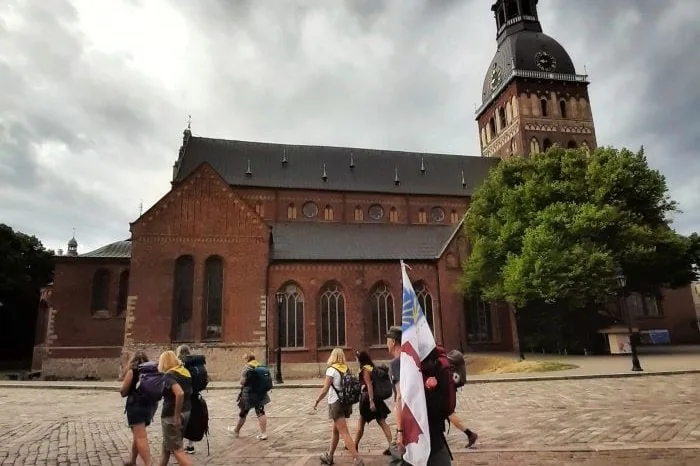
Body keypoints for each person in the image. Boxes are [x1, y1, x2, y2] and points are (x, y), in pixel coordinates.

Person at [386, 325, 452, 465]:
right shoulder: (421, 359)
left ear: (393, 342)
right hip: (432, 420)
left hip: (414, 423)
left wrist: (399, 431)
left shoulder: (398, 363)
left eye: (387, 340)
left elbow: (400, 397)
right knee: (437, 456)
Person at [313, 348, 364, 466]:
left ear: (332, 356)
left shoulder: (331, 370)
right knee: (335, 431)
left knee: (344, 432)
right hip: (345, 403)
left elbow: (325, 389)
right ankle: (330, 456)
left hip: (336, 403)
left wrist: (317, 401)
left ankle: (357, 459)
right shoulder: (346, 369)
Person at [120, 350, 156, 466]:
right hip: (149, 407)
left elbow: (123, 391)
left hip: (136, 407)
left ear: (133, 360)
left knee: (140, 437)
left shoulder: (132, 372)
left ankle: (148, 463)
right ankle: (133, 460)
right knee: (138, 435)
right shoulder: (153, 372)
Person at [353, 350, 392, 455]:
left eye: (357, 358)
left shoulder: (365, 369)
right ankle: (391, 446)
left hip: (368, 400)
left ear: (361, 359)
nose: (356, 360)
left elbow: (369, 385)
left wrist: (371, 402)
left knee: (361, 423)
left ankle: (354, 446)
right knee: (383, 423)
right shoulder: (371, 367)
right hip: (377, 399)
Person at [157, 350, 193, 466]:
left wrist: (176, 416)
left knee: (177, 450)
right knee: (166, 447)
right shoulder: (185, 372)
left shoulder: (169, 375)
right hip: (186, 411)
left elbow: (180, 393)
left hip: (171, 415)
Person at [228, 353, 270, 440]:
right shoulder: (259, 366)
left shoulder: (247, 368)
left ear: (247, 359)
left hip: (249, 394)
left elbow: (243, 382)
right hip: (260, 393)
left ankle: (236, 431)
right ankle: (264, 433)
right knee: (260, 412)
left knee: (243, 412)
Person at [176, 344, 200, 454]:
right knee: (192, 421)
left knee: (180, 420)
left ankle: (177, 446)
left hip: (185, 397)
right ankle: (190, 446)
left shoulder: (181, 364)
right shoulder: (196, 363)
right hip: (195, 396)